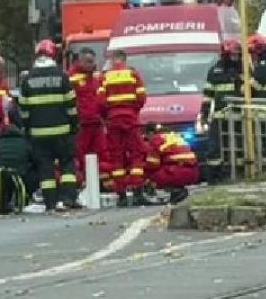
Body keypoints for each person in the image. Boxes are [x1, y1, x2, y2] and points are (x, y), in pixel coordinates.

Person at [18, 39, 80, 210]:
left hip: (38, 135)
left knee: (45, 169)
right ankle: (68, 198)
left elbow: (23, 110)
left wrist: (28, 128)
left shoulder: (28, 79)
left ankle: (50, 202)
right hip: (62, 133)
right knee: (67, 164)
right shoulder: (62, 76)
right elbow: (71, 106)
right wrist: (74, 125)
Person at [98, 49, 148, 207]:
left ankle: (121, 196)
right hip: (131, 119)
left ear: (113, 60)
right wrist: (133, 110)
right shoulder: (133, 74)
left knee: (116, 156)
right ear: (125, 60)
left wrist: (108, 115)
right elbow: (141, 97)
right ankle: (138, 192)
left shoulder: (105, 77)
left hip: (113, 120)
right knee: (136, 154)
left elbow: (100, 101)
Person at [200, 39, 244, 177]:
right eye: (233, 55)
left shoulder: (245, 69)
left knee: (239, 145)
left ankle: (239, 172)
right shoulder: (215, 71)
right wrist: (204, 114)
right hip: (220, 115)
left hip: (240, 115)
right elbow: (208, 96)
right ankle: (216, 174)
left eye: (238, 55)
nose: (236, 58)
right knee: (215, 147)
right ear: (226, 55)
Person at [68, 47, 104, 191]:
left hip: (96, 123)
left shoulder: (96, 78)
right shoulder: (71, 77)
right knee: (80, 157)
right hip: (81, 124)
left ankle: (96, 185)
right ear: (80, 61)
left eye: (92, 61)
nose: (92, 64)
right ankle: (82, 186)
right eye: (88, 62)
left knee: (100, 155)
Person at [144, 125, 200, 204]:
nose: (147, 141)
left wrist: (146, 178)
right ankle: (178, 190)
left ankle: (176, 191)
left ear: (151, 134)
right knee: (167, 165)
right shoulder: (177, 138)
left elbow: (152, 164)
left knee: (154, 174)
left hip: (176, 173)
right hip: (193, 173)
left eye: (147, 138)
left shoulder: (157, 140)